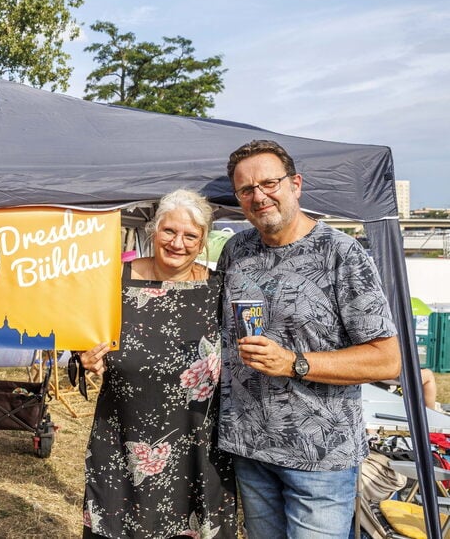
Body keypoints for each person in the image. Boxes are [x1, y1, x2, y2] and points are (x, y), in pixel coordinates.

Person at [217, 139, 400, 539]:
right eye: (246, 189)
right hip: (250, 450)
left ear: (295, 184)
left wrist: (295, 363)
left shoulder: (341, 253)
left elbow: (387, 360)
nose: (259, 196)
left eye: (269, 183)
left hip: (320, 459)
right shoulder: (236, 250)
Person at [78, 188, 237, 538]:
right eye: (169, 231)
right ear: (153, 230)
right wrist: (85, 357)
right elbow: (82, 340)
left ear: (203, 241)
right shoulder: (111, 281)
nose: (178, 242)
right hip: (122, 438)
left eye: (190, 235)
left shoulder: (220, 290)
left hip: (199, 445)